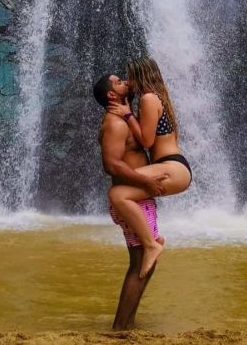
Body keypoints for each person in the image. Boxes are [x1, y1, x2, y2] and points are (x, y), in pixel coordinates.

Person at [106, 56, 192, 278]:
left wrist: (126, 115)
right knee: (122, 193)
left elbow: (146, 141)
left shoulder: (149, 98)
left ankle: (151, 244)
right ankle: (153, 239)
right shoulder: (158, 97)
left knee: (118, 194)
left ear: (139, 76)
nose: (128, 82)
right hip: (174, 167)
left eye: (130, 77)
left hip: (171, 166)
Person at [94, 73, 168, 330]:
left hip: (135, 199)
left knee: (145, 260)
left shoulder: (123, 118)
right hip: (131, 199)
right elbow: (111, 164)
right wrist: (145, 182)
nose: (125, 81)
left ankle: (128, 323)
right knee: (140, 262)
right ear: (111, 95)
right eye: (118, 82)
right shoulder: (114, 123)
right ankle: (120, 327)